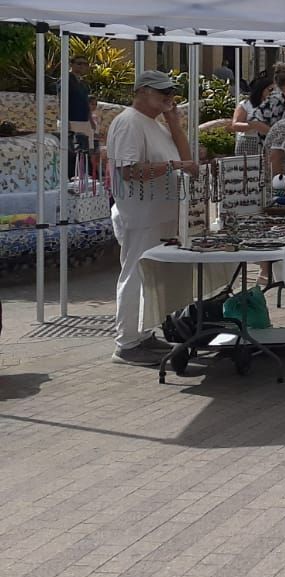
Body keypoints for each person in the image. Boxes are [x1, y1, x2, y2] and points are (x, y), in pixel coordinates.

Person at [105, 71, 197, 365]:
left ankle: (141, 335)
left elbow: (187, 160)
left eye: (170, 91)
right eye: (161, 92)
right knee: (134, 275)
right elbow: (128, 171)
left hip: (161, 213)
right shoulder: (129, 122)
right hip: (141, 214)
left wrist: (174, 122)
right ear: (142, 91)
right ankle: (127, 343)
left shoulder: (154, 123)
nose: (168, 96)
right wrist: (172, 166)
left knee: (149, 278)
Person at [230, 74, 273, 157]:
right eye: (270, 90)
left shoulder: (275, 105)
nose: (273, 93)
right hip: (249, 143)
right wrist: (254, 125)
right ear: (261, 89)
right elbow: (235, 125)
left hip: (268, 143)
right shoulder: (246, 104)